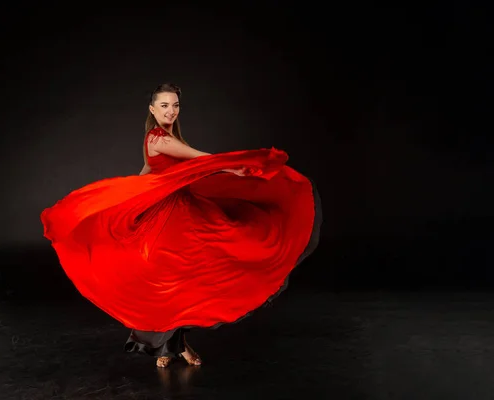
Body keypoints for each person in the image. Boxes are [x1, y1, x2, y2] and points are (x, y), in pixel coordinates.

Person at [40, 83, 322, 369]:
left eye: (175, 105)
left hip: (184, 210)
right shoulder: (160, 139)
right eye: (164, 105)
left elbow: (148, 172)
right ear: (152, 109)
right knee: (174, 281)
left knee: (188, 279)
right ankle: (168, 344)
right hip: (170, 216)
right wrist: (233, 167)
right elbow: (201, 161)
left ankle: (172, 344)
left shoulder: (159, 137)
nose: (170, 111)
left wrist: (134, 194)